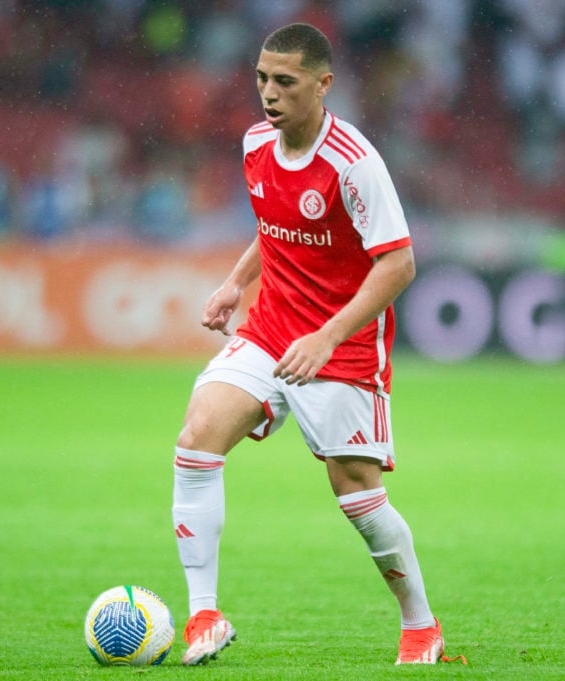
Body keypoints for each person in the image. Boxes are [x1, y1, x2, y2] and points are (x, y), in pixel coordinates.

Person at [172, 23, 459, 667]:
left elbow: (399, 264)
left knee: (357, 495)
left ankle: (421, 626)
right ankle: (204, 616)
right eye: (261, 79)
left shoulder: (353, 163)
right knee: (196, 440)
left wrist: (328, 335)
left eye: (284, 82)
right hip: (272, 329)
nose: (268, 94)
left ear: (323, 85)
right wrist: (233, 283)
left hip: (343, 347)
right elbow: (273, 227)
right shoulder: (255, 145)